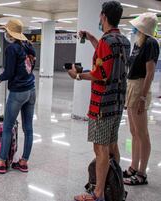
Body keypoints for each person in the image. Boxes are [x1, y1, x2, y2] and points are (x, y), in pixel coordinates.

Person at [67, 2, 131, 200]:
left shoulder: (107, 41)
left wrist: (78, 75)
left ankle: (98, 193)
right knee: (112, 144)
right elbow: (108, 57)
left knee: (100, 148)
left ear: (103, 16)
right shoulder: (123, 41)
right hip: (117, 101)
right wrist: (93, 39)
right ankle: (115, 184)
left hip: (102, 104)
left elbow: (101, 73)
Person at [0, 19, 36, 174]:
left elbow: (9, 72)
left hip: (18, 92)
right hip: (31, 90)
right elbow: (30, 65)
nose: (5, 34)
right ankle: (23, 162)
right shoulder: (28, 46)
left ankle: (1, 162)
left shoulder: (12, 49)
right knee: (28, 128)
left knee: (7, 127)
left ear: (10, 33)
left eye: (6, 31)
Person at [123, 13, 159, 186]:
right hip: (131, 86)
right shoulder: (138, 42)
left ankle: (142, 173)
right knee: (134, 131)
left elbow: (150, 72)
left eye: (137, 26)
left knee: (142, 133)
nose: (134, 28)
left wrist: (143, 97)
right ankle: (133, 167)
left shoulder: (151, 43)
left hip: (139, 88)